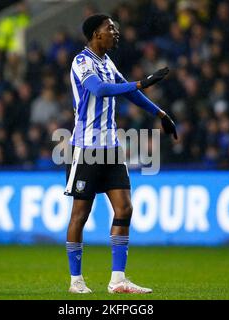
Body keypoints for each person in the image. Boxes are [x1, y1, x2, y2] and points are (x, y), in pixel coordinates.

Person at [64, 14, 177, 294]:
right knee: (81, 213)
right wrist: (140, 83)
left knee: (124, 208)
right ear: (95, 35)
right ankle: (75, 281)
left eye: (114, 28)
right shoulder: (83, 61)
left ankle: (118, 280)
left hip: (111, 148)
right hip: (86, 148)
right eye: (109, 28)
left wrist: (159, 113)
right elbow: (100, 90)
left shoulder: (107, 62)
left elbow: (129, 93)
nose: (115, 32)